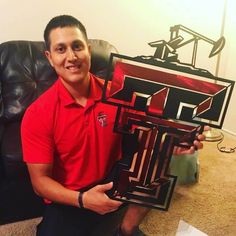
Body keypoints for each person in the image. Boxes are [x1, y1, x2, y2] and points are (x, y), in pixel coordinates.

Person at [21, 15, 206, 236]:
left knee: (159, 153)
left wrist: (172, 142)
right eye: (61, 49)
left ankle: (127, 229)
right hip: (71, 195)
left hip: (112, 178)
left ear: (88, 50)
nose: (71, 56)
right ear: (50, 58)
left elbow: (147, 134)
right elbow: (40, 182)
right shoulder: (37, 114)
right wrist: (83, 200)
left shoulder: (118, 92)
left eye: (77, 46)